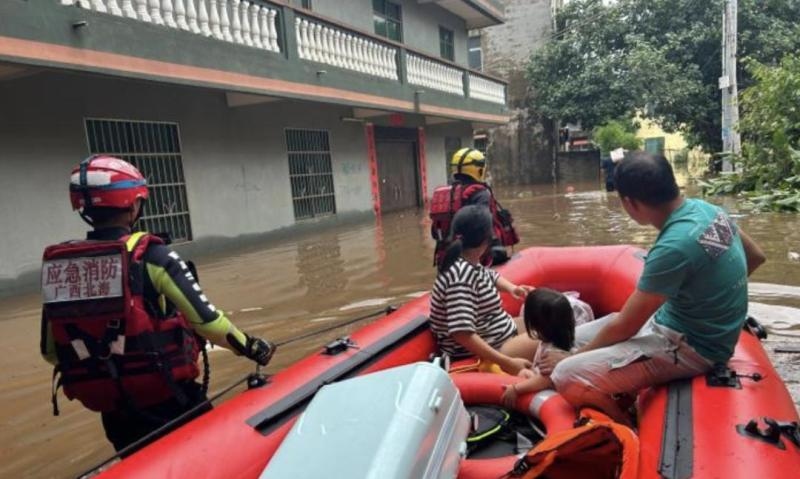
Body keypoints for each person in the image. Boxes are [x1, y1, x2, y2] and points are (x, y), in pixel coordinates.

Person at [40, 156, 277, 452]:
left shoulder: (63, 268)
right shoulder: (154, 257)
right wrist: (253, 347)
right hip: (173, 401)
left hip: (115, 415)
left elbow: (51, 352)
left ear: (83, 210)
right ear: (134, 205)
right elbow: (209, 323)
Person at [539, 152, 766, 424]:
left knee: (566, 374)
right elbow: (755, 256)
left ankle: (626, 422)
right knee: (561, 340)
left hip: (692, 348)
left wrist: (571, 358)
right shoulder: (709, 212)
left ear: (629, 203)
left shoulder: (673, 247)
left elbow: (626, 326)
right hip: (677, 325)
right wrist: (713, 296)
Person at [430, 205, 537, 375]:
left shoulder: (467, 261)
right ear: (486, 241)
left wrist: (512, 289)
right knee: (554, 337)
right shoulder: (460, 277)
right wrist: (507, 363)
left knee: (548, 321)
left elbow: (488, 275)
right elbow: (462, 333)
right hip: (488, 349)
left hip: (498, 333)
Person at [429, 148, 519, 267]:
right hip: (475, 259)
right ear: (479, 170)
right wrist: (497, 248)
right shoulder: (480, 193)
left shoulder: (447, 194)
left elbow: (435, 232)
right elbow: (484, 224)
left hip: (447, 258)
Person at [502, 288, 577, 407]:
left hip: (552, 394)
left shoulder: (553, 352)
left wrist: (516, 389)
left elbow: (544, 381)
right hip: (541, 379)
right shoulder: (558, 339)